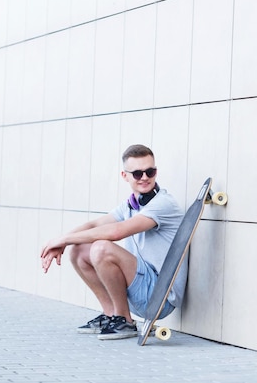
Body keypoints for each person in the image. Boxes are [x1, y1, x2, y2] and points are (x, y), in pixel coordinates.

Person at [40, 144, 185, 340]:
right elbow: (94, 224)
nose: (144, 177)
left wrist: (63, 239)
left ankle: (124, 320)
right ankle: (111, 315)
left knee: (101, 247)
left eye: (150, 171)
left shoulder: (163, 204)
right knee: (79, 250)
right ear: (125, 176)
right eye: (137, 173)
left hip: (160, 296)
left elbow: (116, 232)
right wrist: (63, 243)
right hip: (140, 289)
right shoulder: (131, 204)